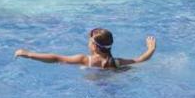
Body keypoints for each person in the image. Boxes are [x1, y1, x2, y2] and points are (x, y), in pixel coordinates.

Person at [14, 28, 156, 70]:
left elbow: (56, 58)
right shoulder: (116, 62)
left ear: (94, 46)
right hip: (112, 77)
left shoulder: (84, 60)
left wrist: (29, 54)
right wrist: (151, 48)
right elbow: (140, 59)